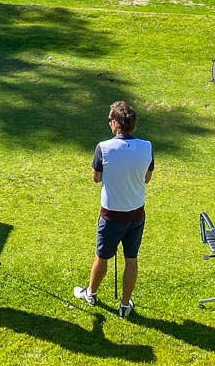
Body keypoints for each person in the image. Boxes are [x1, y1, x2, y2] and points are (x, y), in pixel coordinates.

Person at [74, 101, 153, 318]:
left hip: (111, 215)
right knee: (131, 258)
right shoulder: (147, 147)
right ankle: (125, 304)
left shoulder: (104, 147)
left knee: (102, 256)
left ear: (117, 124)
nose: (109, 123)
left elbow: (95, 178)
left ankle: (91, 293)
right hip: (136, 213)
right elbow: (147, 178)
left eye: (110, 120)